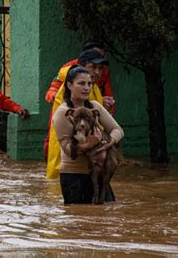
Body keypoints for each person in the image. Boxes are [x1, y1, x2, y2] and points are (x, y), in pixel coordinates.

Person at [53, 65, 124, 204]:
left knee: (104, 218)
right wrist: (89, 144)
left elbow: (118, 130)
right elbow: (67, 148)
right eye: (81, 83)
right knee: (79, 220)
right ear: (69, 85)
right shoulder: (63, 112)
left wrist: (108, 143)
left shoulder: (95, 106)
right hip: (74, 176)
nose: (87, 87)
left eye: (89, 83)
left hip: (99, 174)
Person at [45, 49, 109, 179]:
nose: (97, 72)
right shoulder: (74, 90)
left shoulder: (93, 87)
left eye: (100, 68)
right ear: (82, 67)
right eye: (93, 67)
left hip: (87, 159)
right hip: (69, 161)